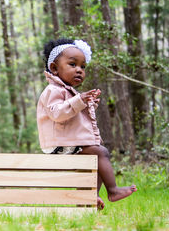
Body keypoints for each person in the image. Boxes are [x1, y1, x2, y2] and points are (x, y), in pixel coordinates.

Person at [36, 38, 137, 210]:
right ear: (54, 68)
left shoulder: (68, 91)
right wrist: (79, 101)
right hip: (58, 144)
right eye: (72, 64)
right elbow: (57, 114)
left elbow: (72, 116)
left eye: (83, 67)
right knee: (100, 152)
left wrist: (87, 104)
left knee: (95, 159)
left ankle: (88, 197)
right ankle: (112, 191)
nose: (79, 70)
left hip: (68, 142)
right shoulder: (53, 90)